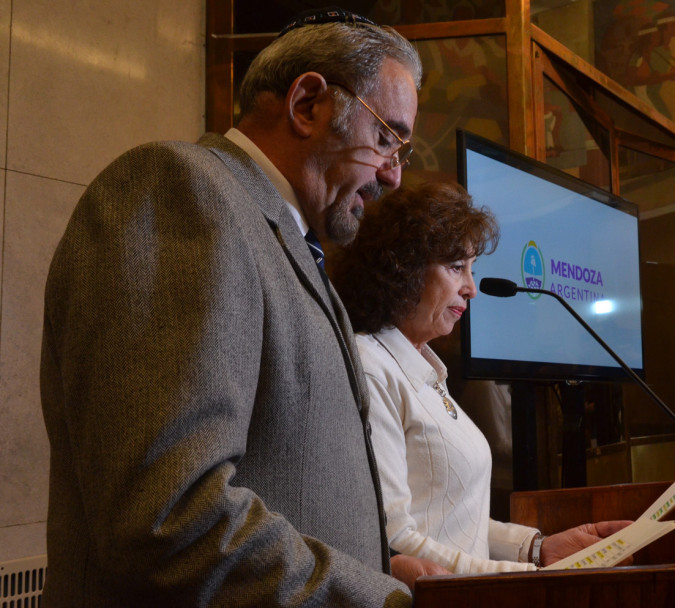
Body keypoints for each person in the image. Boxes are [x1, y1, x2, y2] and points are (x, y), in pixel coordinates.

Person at [39, 8, 443, 606]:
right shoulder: (180, 190)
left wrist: (384, 567)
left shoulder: (291, 246)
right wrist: (378, 600)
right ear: (308, 104)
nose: (394, 176)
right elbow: (169, 514)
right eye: (388, 138)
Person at [330, 181, 631, 574]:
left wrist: (537, 549)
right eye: (457, 268)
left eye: (472, 270)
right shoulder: (372, 367)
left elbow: (453, 521)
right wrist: (531, 577)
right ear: (402, 267)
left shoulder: (427, 371)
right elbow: (394, 539)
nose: (471, 288)